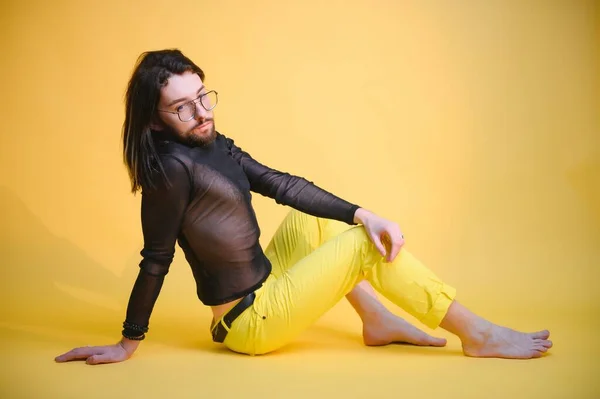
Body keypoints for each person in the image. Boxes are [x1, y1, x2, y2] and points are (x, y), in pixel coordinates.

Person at [55, 49, 552, 365]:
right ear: (155, 121)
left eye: (203, 95)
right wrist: (128, 341)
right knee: (360, 247)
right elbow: (155, 259)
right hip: (250, 322)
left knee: (321, 219)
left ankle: (375, 320)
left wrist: (363, 211)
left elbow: (280, 184)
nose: (203, 112)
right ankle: (476, 333)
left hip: (264, 289)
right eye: (183, 107)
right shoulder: (169, 170)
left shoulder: (210, 142)